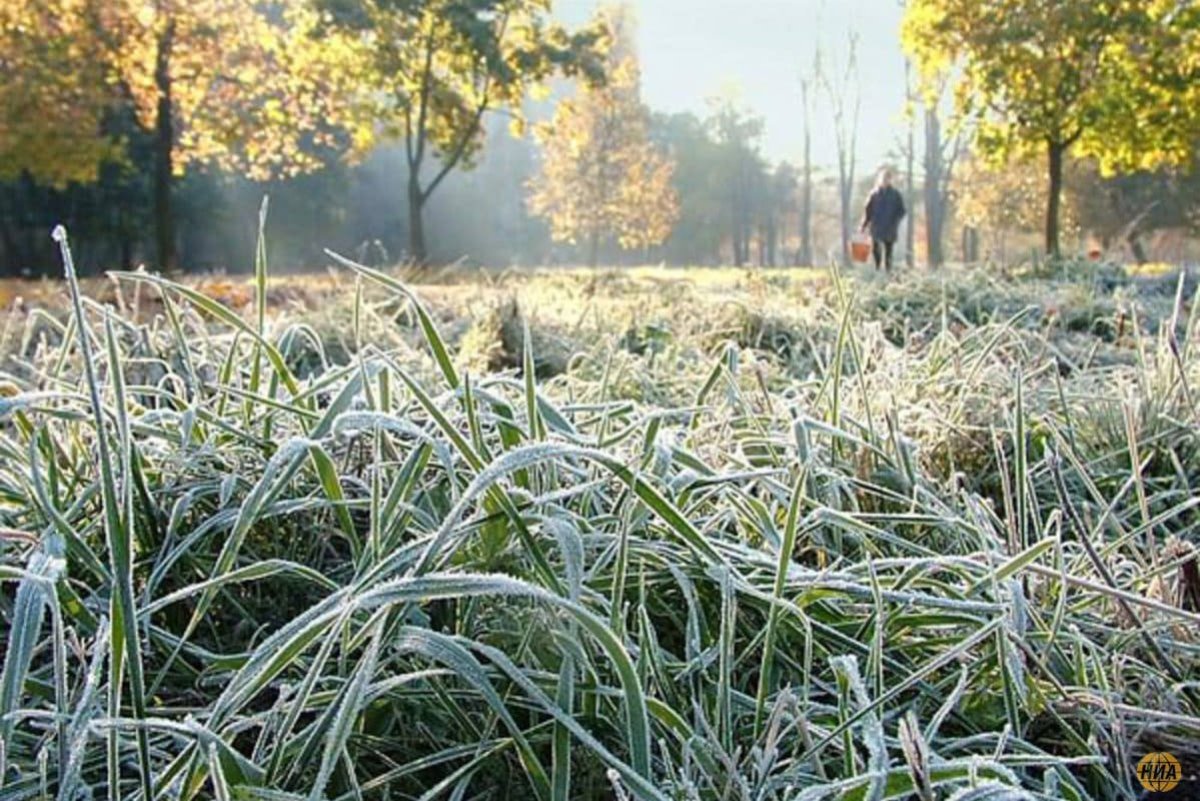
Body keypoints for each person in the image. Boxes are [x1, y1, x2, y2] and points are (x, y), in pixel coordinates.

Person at [860, 168, 906, 271]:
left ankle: (888, 271)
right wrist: (864, 225)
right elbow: (868, 211)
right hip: (876, 226)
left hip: (890, 227)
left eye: (888, 179)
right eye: (883, 179)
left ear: (891, 180)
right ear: (880, 179)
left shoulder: (895, 195)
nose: (885, 181)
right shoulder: (874, 194)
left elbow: (902, 211)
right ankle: (877, 269)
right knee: (876, 249)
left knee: (888, 251)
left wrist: (895, 221)